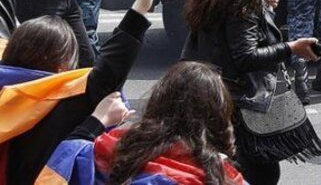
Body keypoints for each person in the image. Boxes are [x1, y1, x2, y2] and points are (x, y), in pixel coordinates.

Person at [181, 0, 321, 184]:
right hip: (239, 103)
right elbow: (246, 56)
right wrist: (292, 47)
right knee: (259, 173)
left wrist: (264, 5)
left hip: (215, 95)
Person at [2, 0, 157, 185]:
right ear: (62, 65)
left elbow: (2, 28)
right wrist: (139, 10)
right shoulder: (65, 103)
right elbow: (109, 70)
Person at [37, 62, 246, 184]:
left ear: (158, 102)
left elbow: (66, 156)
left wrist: (97, 121)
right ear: (219, 117)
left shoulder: (106, 151)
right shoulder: (224, 177)